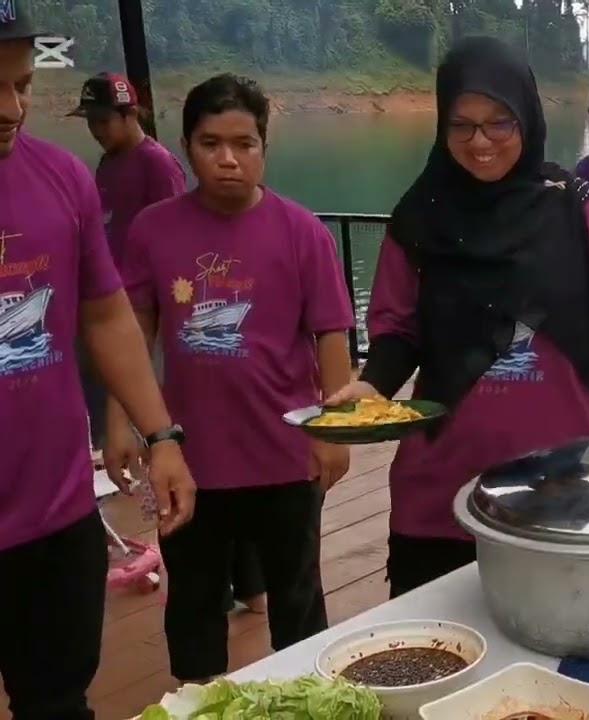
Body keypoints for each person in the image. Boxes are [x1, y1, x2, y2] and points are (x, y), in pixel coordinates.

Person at [326, 37, 589, 597]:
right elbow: (399, 331)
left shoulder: (578, 210)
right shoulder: (420, 215)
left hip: (564, 488)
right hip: (439, 492)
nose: (480, 142)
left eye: (499, 123)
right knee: (432, 640)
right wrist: (372, 384)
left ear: (526, 117)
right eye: (462, 125)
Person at [107, 73, 355, 684]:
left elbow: (331, 333)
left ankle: (309, 695)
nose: (228, 159)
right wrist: (118, 423)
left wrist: (336, 430)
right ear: (186, 147)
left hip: (286, 454)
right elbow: (133, 332)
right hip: (188, 459)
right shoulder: (153, 230)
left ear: (264, 147)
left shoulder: (302, 231)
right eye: (211, 143)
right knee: (194, 597)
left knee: (297, 594)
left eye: (244, 143)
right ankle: (199, 698)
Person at [0, 4, 196, 718]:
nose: (11, 109)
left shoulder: (61, 178)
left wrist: (160, 433)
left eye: (22, 84)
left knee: (56, 702)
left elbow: (108, 313)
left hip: (55, 516)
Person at [68, 72, 187, 453]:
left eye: (103, 120)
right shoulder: (108, 163)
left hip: (142, 307)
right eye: (90, 121)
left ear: (130, 114)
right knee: (100, 390)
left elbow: (173, 240)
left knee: (143, 398)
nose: (96, 130)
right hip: (104, 299)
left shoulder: (158, 164)